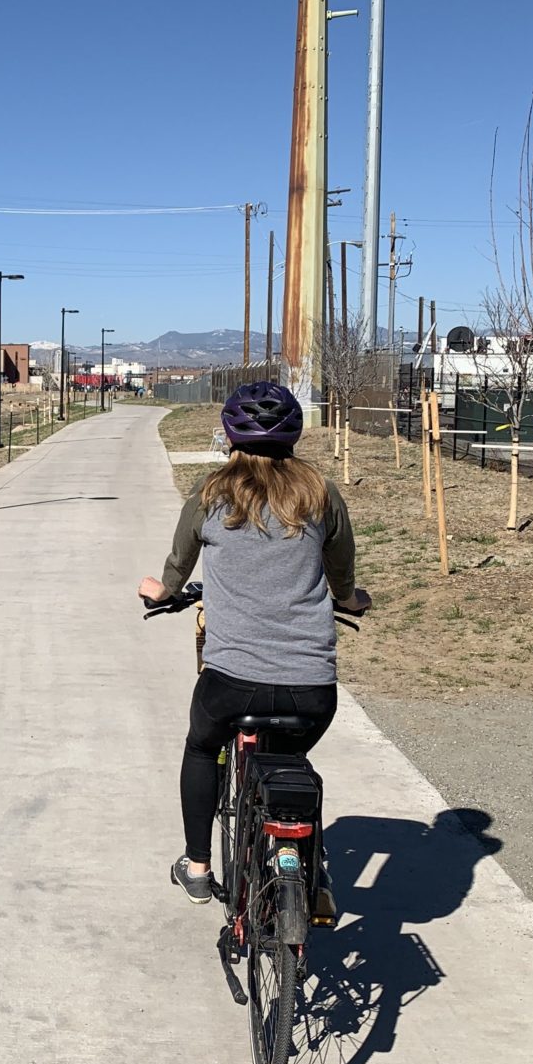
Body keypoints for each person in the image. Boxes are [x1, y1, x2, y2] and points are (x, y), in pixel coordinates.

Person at [137, 382, 370, 903]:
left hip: (231, 685)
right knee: (291, 763)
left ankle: (197, 867)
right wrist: (350, 599)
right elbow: (342, 571)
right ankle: (310, 869)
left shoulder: (211, 492)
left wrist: (164, 592)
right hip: (310, 689)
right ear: (295, 435)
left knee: (203, 747)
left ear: (228, 434)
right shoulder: (321, 492)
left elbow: (178, 564)